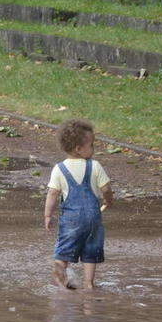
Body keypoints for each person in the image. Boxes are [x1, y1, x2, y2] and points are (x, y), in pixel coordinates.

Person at [44, 119, 113, 291]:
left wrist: (47, 215)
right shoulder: (95, 166)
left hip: (71, 220)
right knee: (91, 252)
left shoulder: (59, 169)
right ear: (78, 149)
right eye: (92, 145)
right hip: (93, 219)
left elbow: (52, 193)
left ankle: (60, 282)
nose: (94, 149)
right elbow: (106, 188)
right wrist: (108, 201)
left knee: (64, 251)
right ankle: (89, 284)